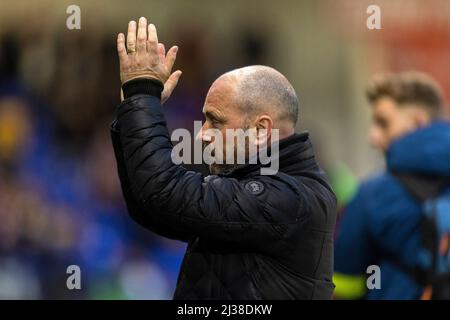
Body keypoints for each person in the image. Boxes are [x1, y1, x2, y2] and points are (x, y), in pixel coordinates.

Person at [110, 17, 337, 299]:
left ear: (259, 130)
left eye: (214, 121)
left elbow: (163, 192)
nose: (201, 135)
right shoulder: (259, 185)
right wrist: (132, 111)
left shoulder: (291, 197)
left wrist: (141, 94)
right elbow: (151, 207)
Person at [334, 71, 450, 299]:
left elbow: (343, 284)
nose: (373, 137)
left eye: (383, 123)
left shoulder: (373, 194)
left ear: (418, 122)